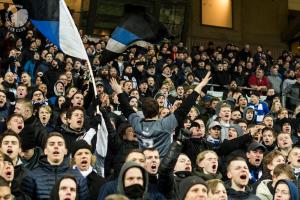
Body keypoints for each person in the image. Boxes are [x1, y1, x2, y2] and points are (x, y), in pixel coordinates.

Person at [110, 72, 211, 158]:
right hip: (162, 166)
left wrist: (119, 91)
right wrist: (200, 85)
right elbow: (185, 108)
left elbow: (127, 109)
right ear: (158, 111)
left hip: (145, 164)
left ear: (143, 112)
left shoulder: (137, 124)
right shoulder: (165, 124)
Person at [21, 132, 89, 200]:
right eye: (52, 144)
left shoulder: (78, 177)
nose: (56, 146)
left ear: (65, 151)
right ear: (45, 151)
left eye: (60, 144)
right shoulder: (32, 176)